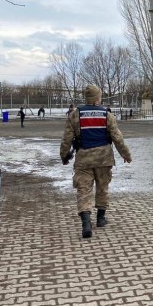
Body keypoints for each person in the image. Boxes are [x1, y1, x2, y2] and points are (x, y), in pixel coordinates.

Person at [60, 85, 131, 238]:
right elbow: (117, 138)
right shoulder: (107, 115)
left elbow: (66, 139)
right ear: (98, 98)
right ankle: (100, 218)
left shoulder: (75, 114)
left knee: (83, 190)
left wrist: (64, 156)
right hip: (104, 158)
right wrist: (126, 154)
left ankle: (86, 222)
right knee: (102, 188)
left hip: (84, 158)